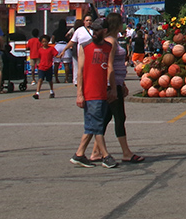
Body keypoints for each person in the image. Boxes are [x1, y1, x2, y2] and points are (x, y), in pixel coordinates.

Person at [91, 13, 144, 164]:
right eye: (122, 22)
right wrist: (113, 88)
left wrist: (122, 84)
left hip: (117, 83)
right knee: (119, 117)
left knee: (106, 118)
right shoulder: (111, 42)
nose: (124, 25)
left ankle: (95, 151)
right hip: (111, 86)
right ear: (117, 25)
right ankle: (126, 152)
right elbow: (109, 65)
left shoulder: (113, 40)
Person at [70, 18, 118, 169]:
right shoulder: (85, 47)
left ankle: (79, 154)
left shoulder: (108, 47)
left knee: (92, 124)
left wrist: (113, 88)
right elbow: (80, 71)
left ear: (104, 31)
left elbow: (109, 68)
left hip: (102, 90)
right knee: (97, 124)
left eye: (97, 30)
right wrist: (79, 93)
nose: (94, 33)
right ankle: (105, 155)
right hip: (90, 91)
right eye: (92, 30)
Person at [59, 15, 94, 85]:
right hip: (81, 52)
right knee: (78, 67)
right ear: (84, 21)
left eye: (90, 20)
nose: (88, 22)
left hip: (92, 52)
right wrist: (64, 50)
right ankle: (77, 81)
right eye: (87, 20)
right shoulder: (79, 30)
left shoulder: (94, 30)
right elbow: (72, 41)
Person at [33, 35, 57, 99]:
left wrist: (60, 55)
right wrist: (38, 65)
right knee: (40, 79)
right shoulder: (40, 50)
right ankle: (37, 93)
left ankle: (51, 91)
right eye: (43, 42)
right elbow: (38, 58)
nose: (44, 43)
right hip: (41, 67)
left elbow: (56, 54)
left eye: (46, 42)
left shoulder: (51, 49)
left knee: (49, 80)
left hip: (49, 66)